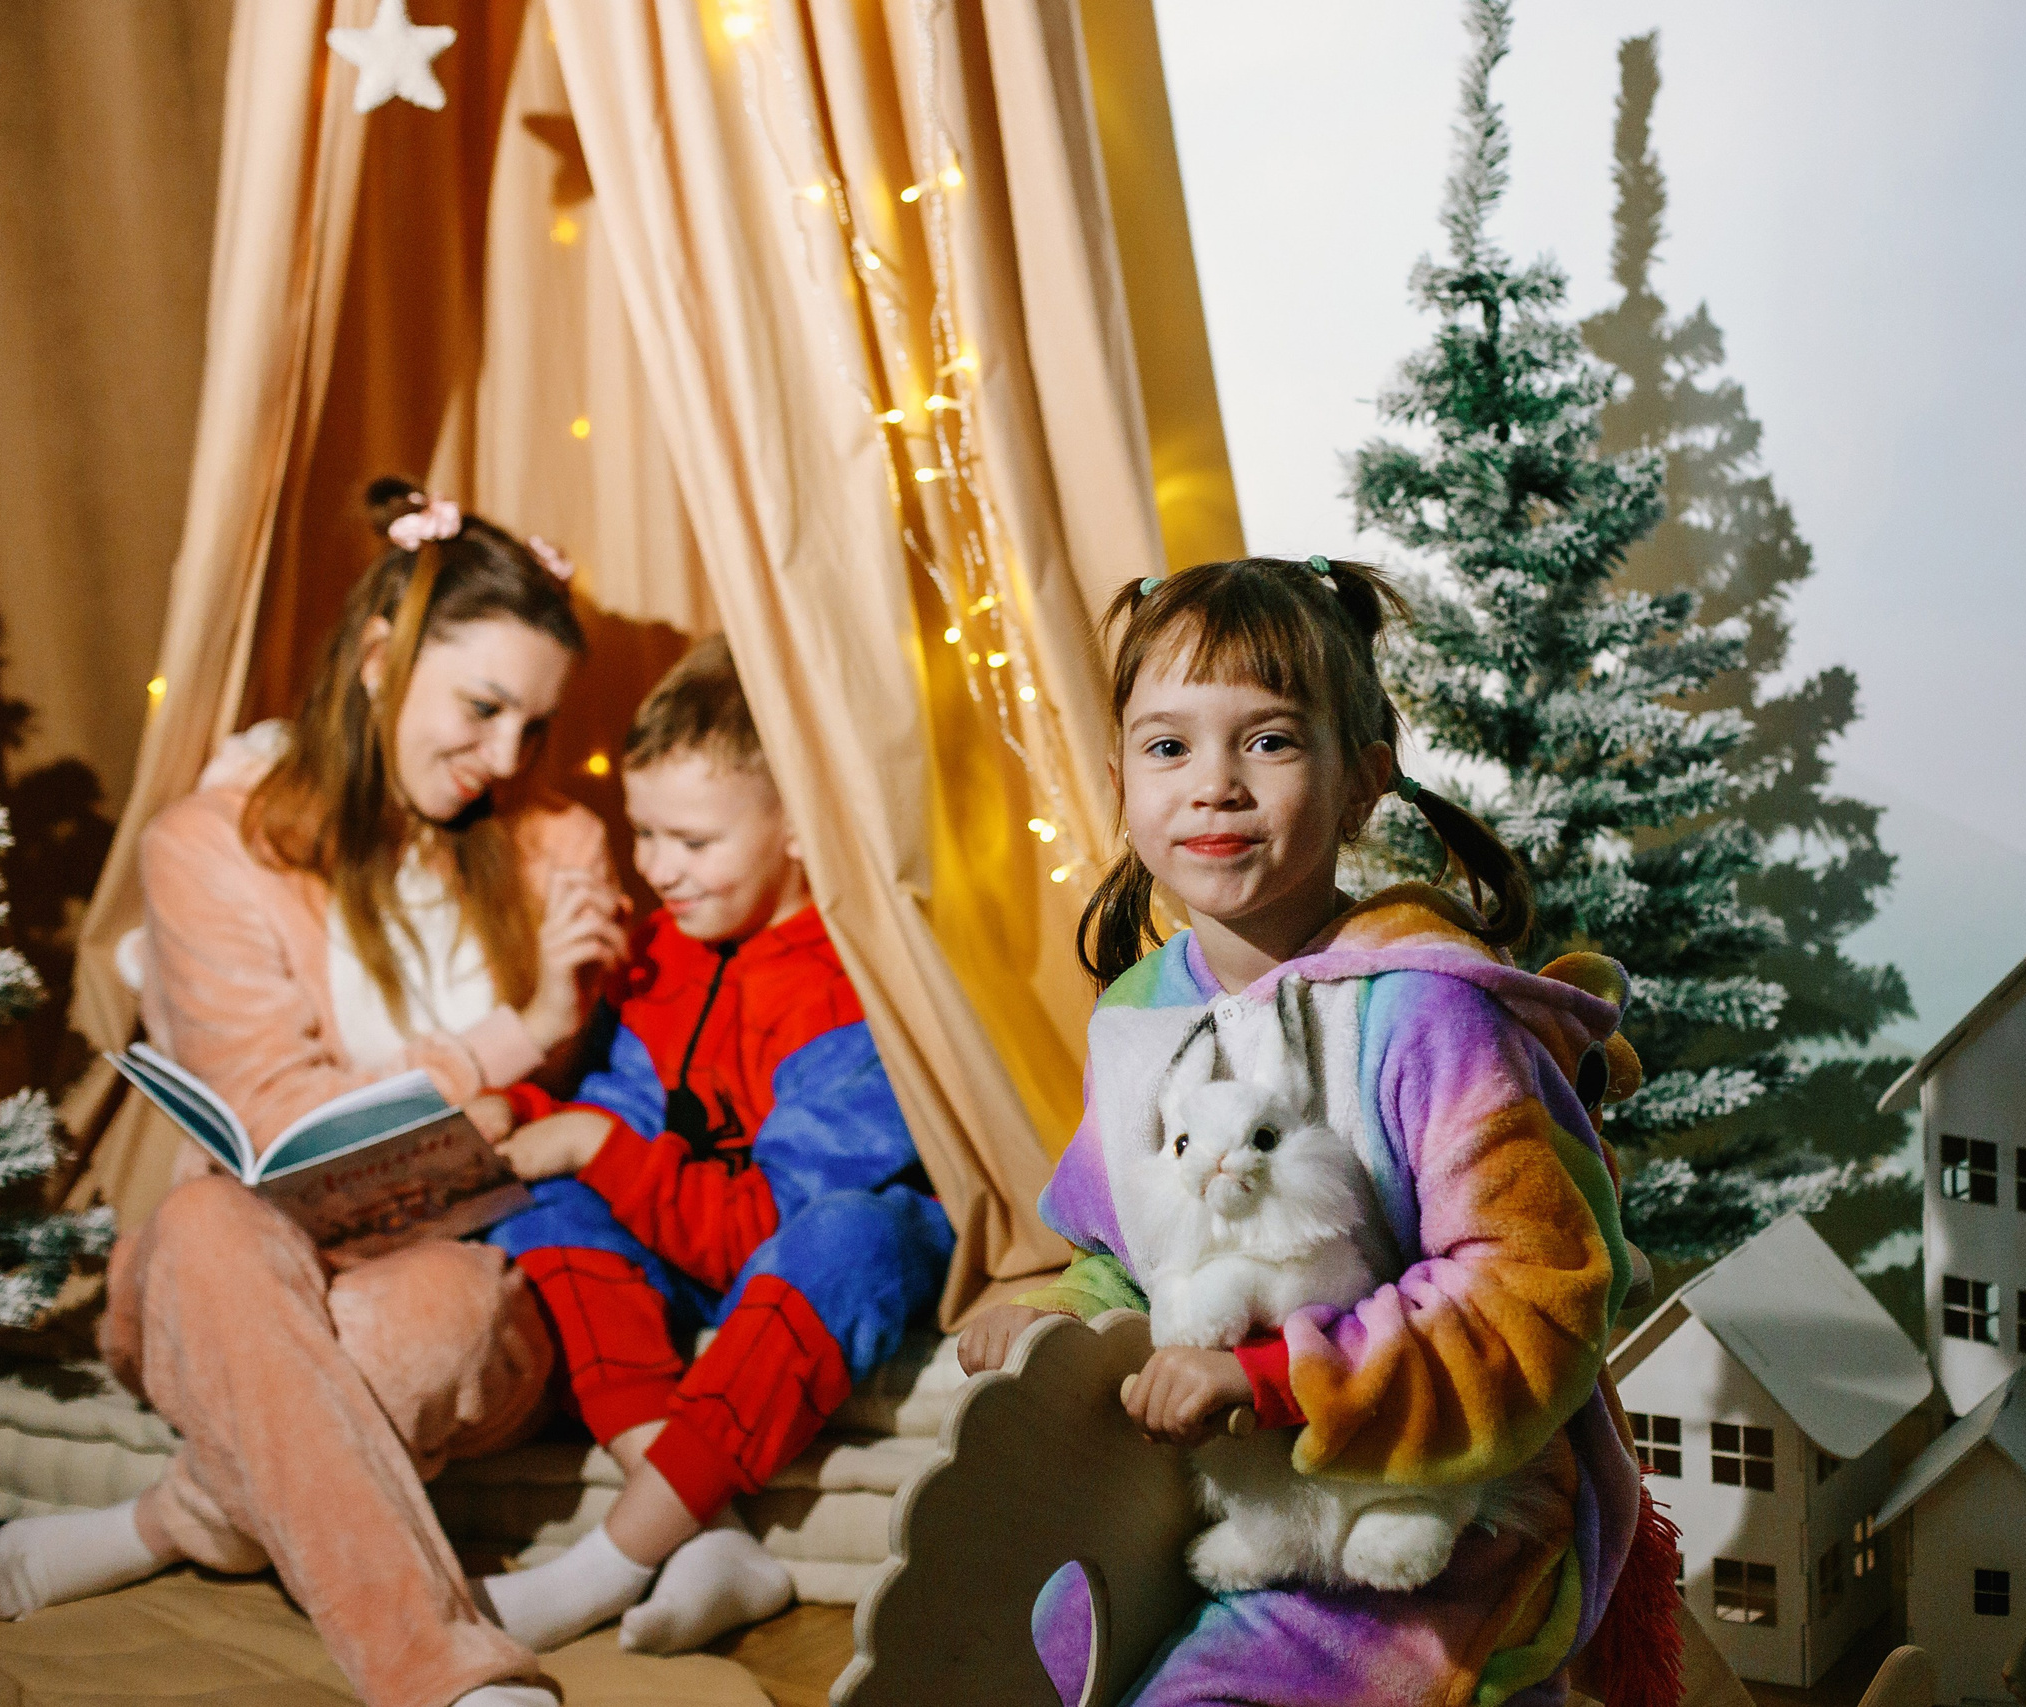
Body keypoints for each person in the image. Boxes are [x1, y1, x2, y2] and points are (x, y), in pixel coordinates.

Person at [955, 557, 1678, 1707]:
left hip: (1426, 1509)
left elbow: (1533, 1288)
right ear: (1118, 783)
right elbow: (1121, 1255)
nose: (1215, 787)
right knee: (1026, 1644)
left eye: (1271, 741)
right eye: (1168, 747)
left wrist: (1276, 1376)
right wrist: (1057, 1318)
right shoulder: (1139, 1018)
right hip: (1230, 1496)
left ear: (1361, 782)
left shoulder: (1423, 1015)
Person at [0, 479, 625, 1707]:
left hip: (452, 1259)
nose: (507, 759)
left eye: (532, 726)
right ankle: (449, 1675)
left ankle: (177, 1520)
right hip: (238, 1272)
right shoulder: (210, 844)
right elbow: (273, 1123)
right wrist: (502, 1041)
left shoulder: (555, 848)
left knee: (429, 1321)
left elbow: (578, 1105)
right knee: (215, 1223)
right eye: (483, 709)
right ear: (379, 660)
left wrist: (532, 1068)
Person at [478, 636, 953, 1655]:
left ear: (796, 828)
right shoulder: (665, 951)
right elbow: (617, 1112)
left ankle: (611, 1556)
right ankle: (710, 1535)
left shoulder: (849, 986)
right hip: (685, 1242)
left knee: (859, 1234)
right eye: (643, 834)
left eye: (691, 842)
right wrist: (514, 1111)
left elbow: (752, 1229)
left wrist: (595, 1144)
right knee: (538, 1201)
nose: (655, 869)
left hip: (792, 1259)